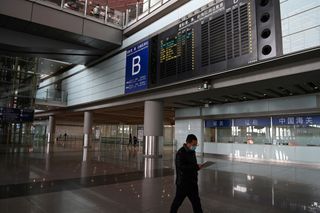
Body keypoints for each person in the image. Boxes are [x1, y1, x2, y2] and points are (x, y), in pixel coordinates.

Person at [170, 134, 203, 213]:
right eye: (194, 144)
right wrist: (195, 167)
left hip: (192, 183)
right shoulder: (180, 153)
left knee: (196, 203)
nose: (195, 146)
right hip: (183, 184)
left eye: (196, 144)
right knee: (177, 203)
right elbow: (182, 167)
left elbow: (192, 166)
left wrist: (197, 167)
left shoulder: (192, 152)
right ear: (188, 143)